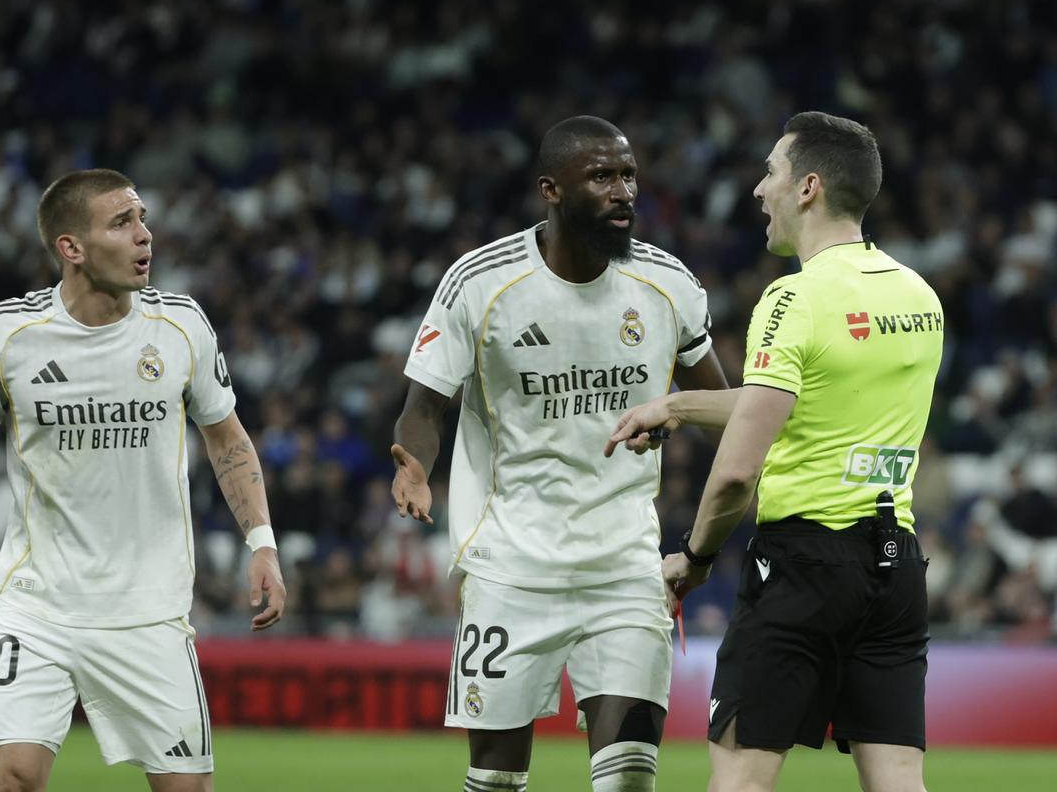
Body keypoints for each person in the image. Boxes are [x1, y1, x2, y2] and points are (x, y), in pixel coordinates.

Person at [0, 169, 286, 792]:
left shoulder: (181, 325)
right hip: (38, 605)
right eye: (122, 222)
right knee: (14, 781)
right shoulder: (10, 332)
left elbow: (228, 440)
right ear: (70, 248)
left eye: (143, 218)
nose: (145, 236)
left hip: (149, 609)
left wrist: (261, 543)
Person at [606, 112, 942, 792]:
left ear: (809, 187)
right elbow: (803, 403)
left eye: (771, 173)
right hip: (895, 571)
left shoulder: (794, 298)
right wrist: (675, 405)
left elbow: (736, 472)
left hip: (802, 569)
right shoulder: (917, 295)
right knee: (900, 782)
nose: (760, 190)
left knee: (741, 781)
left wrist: (695, 559)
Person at [391, 115, 728, 792]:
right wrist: (414, 465)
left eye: (628, 174)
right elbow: (425, 404)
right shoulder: (481, 283)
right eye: (602, 175)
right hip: (511, 565)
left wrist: (680, 415)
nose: (623, 190)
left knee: (630, 778)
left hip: (625, 567)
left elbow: (725, 409)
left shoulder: (668, 285)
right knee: (495, 781)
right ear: (551, 188)